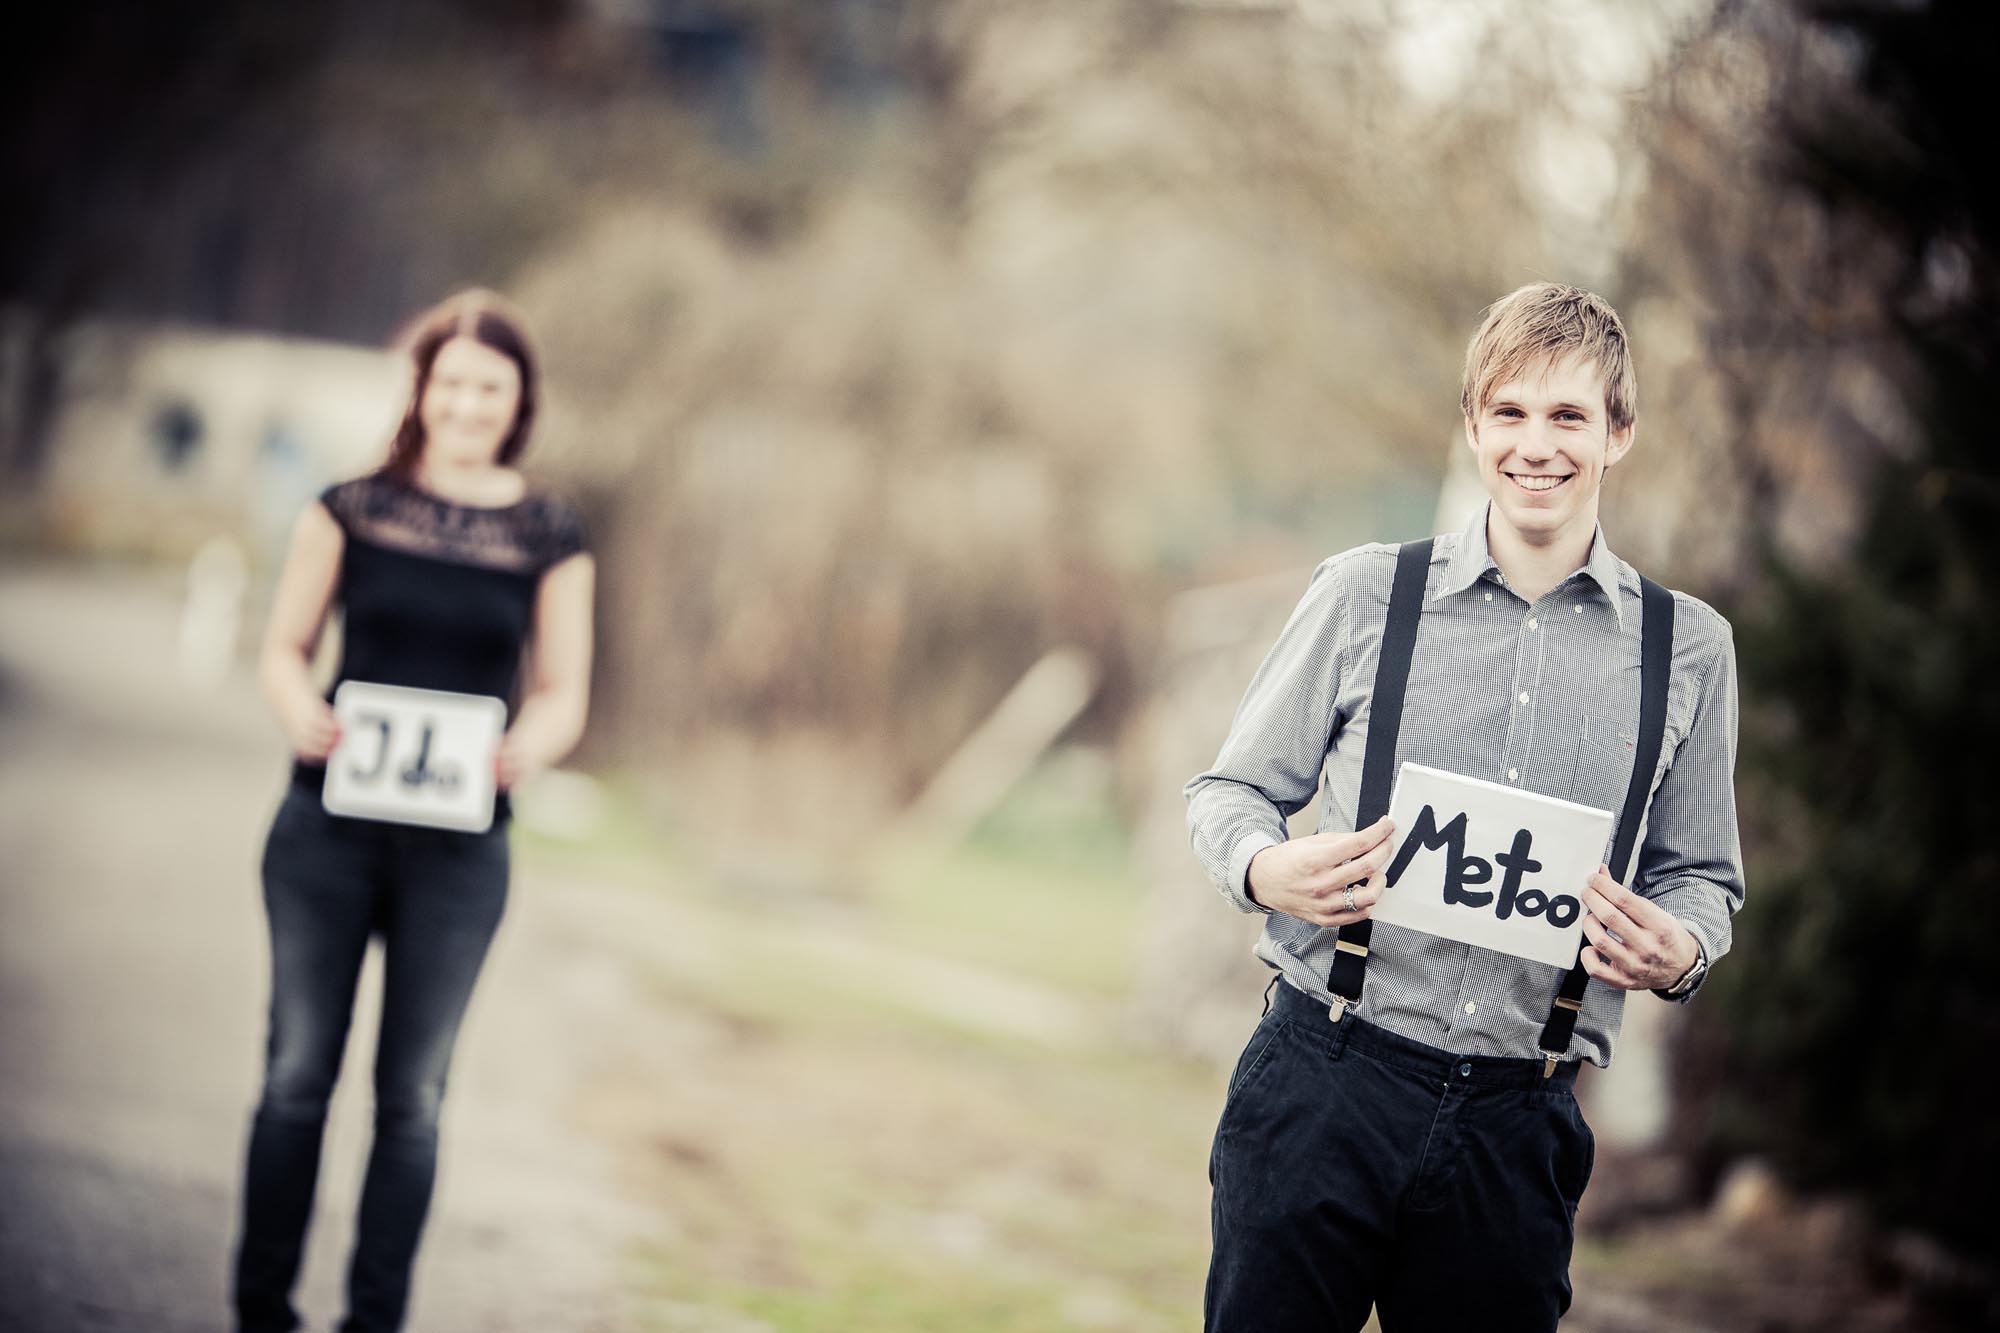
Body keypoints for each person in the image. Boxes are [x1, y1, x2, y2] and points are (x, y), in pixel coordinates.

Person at [1185, 282, 1743, 1331]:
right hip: (1324, 1079)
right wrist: (1265, 868)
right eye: (1510, 412)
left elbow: (1701, 878)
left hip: (1518, 1121)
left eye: (1568, 415)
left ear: (1618, 433)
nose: (1537, 445)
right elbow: (1230, 792)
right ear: (1473, 426)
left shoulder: (1689, 651)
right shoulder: (1363, 595)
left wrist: (1684, 951)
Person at [233, 289, 595, 1333]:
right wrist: (298, 708)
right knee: (298, 1076)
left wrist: (538, 740)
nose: (469, 403)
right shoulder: (347, 507)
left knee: (414, 1098)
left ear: (518, 400)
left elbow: (566, 687)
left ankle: (372, 1321)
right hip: (325, 835)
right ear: (422, 389)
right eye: (453, 382)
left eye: (491, 386)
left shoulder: (550, 533)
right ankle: (261, 1312)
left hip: (460, 853)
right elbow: (282, 646)